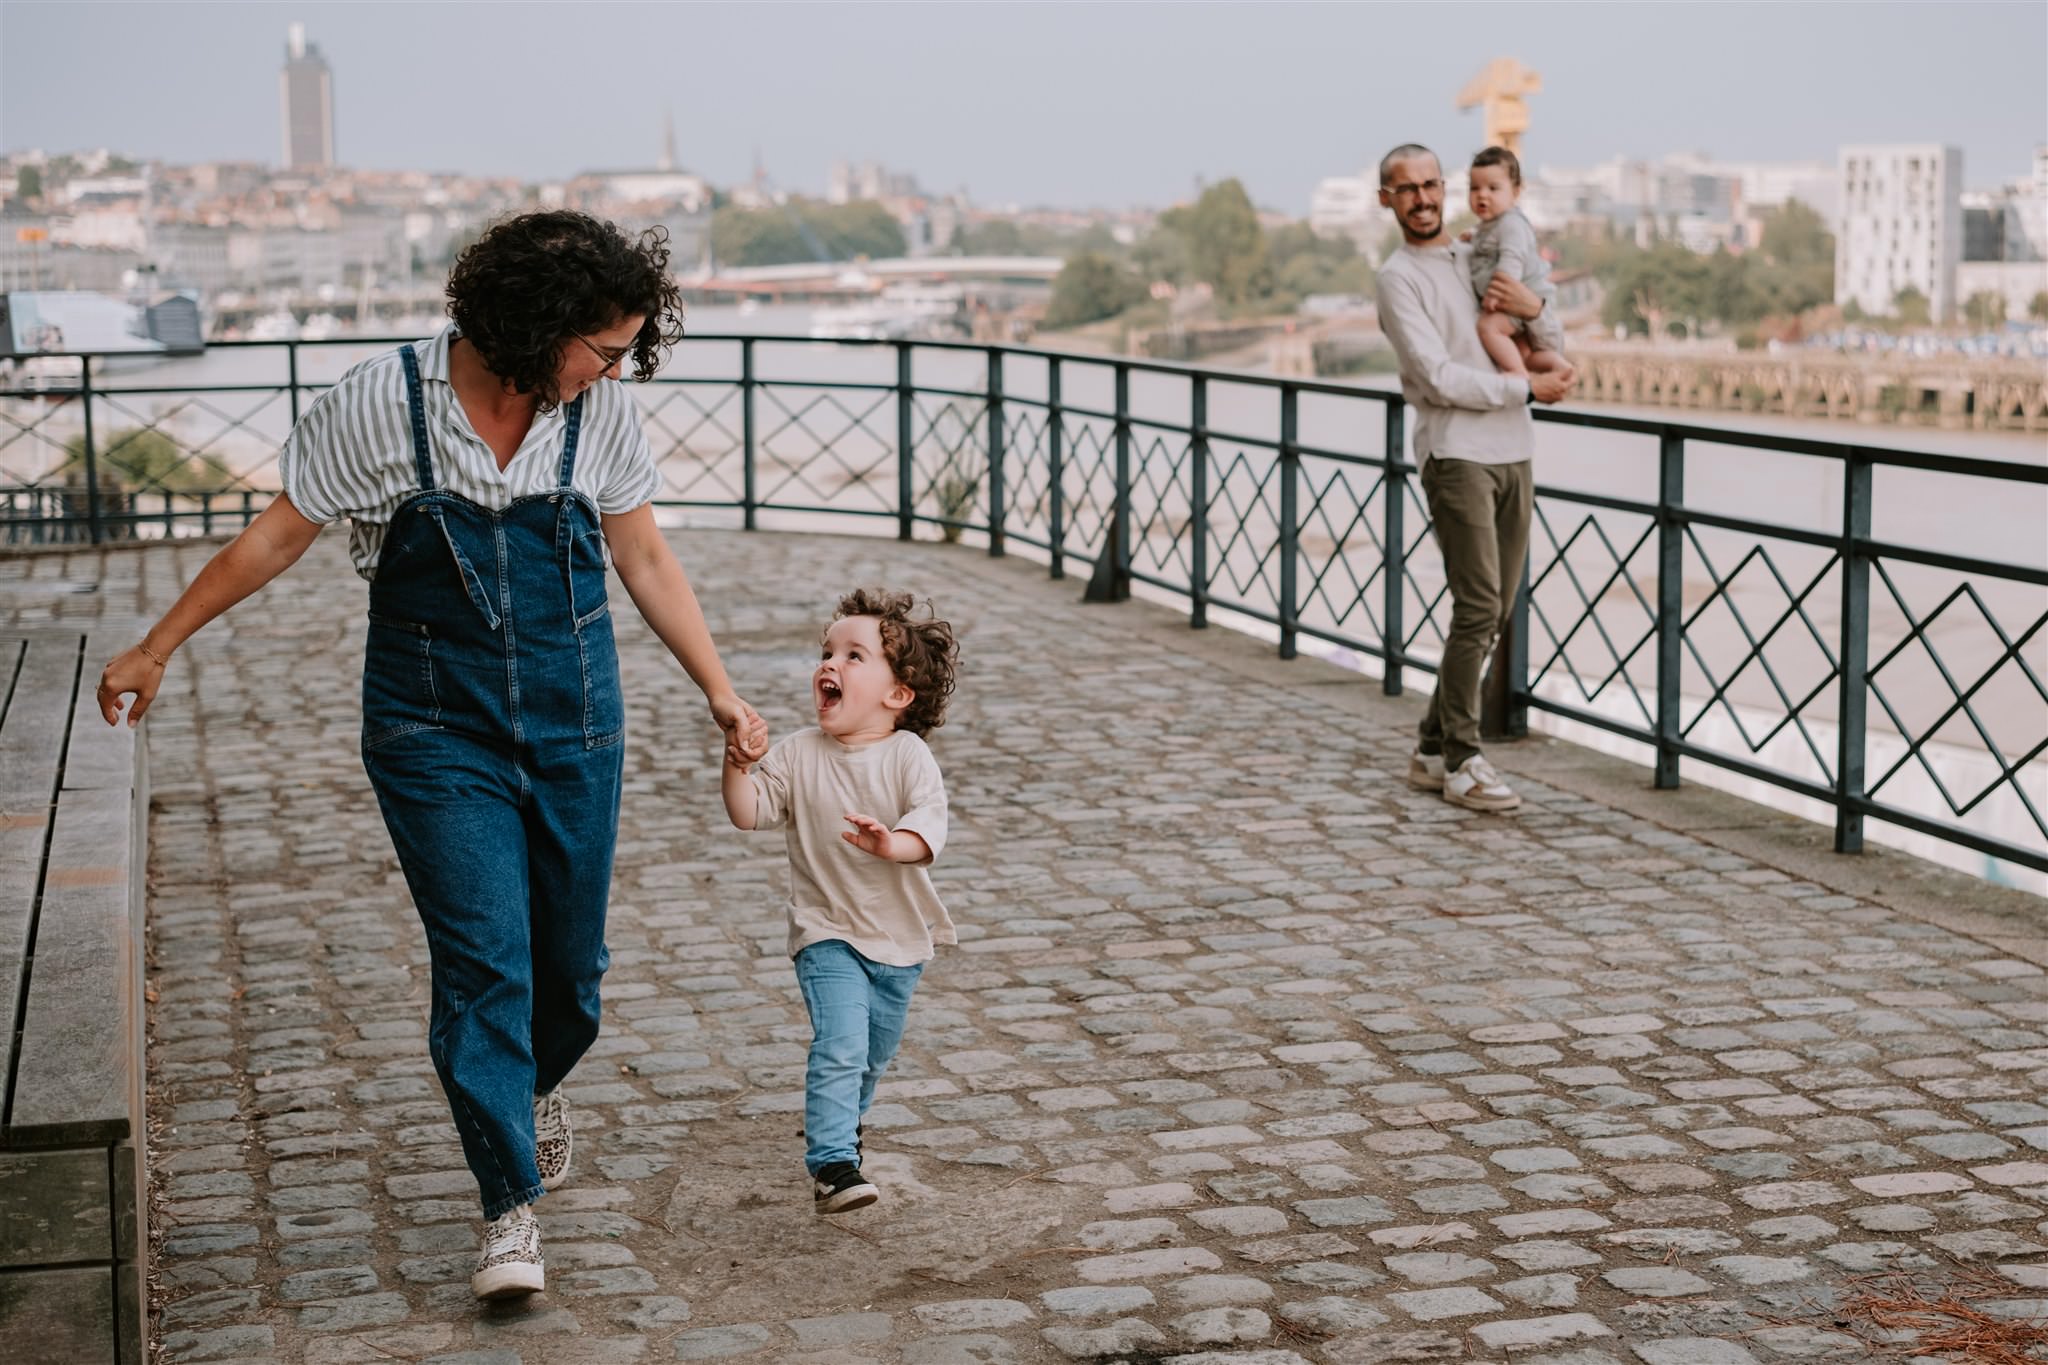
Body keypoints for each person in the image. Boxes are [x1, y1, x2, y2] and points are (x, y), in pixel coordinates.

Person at [95, 210, 766, 1301]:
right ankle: (508, 1206)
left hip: (575, 716)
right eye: (600, 348)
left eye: (624, 352)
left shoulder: (598, 414)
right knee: (486, 962)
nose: (612, 370)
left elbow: (640, 552)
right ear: (532, 325)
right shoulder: (379, 403)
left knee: (572, 977)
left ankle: (532, 1084)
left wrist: (721, 690)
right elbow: (275, 534)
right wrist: (155, 647)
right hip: (429, 725)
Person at [720, 588, 958, 1213]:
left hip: (900, 941)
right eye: (827, 652)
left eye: (855, 656)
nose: (831, 664)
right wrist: (736, 765)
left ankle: (844, 1127)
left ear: (897, 694)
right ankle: (833, 1166)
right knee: (841, 1045)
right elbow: (748, 814)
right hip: (826, 931)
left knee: (872, 1058)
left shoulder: (909, 755)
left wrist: (892, 843)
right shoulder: (798, 753)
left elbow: (931, 822)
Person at [1375, 144, 1576, 813]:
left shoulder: (1474, 255)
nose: (1424, 198)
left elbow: (1541, 324)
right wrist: (1525, 388)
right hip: (1456, 452)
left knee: (1496, 609)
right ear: (1388, 200)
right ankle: (1464, 758)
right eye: (1408, 190)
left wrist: (1539, 307)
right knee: (1478, 605)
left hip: (1514, 450)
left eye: (1432, 184)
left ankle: (1432, 747)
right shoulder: (1398, 279)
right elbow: (1436, 377)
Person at [1466, 146, 1570, 382]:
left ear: (1515, 192)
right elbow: (1487, 242)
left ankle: (1517, 374)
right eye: (1474, 188)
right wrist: (1471, 237)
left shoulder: (1512, 224)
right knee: (1524, 352)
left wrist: (1497, 295)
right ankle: (1559, 366)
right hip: (1517, 304)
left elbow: (1511, 260)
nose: (1482, 195)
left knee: (1488, 328)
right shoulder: (1491, 225)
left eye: (1493, 188)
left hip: (1517, 300)